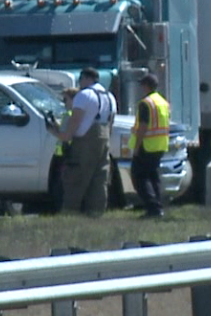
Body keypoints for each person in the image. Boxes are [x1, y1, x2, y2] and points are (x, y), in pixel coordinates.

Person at [48, 67, 117, 216]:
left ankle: (69, 212)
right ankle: (96, 213)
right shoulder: (110, 97)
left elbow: (72, 127)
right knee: (99, 179)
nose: (79, 83)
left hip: (84, 144)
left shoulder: (84, 95)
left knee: (76, 177)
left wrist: (55, 131)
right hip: (104, 142)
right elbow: (110, 124)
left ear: (86, 78)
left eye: (81, 79)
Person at [128, 73, 170, 218]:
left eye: (142, 84)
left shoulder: (146, 103)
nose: (141, 87)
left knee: (140, 177)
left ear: (146, 86)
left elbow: (144, 127)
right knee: (154, 177)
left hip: (147, 145)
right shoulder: (163, 102)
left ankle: (153, 208)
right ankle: (158, 206)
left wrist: (137, 146)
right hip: (160, 144)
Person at [48, 87, 78, 211]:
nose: (64, 103)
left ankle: (61, 209)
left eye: (65, 99)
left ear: (73, 100)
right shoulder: (71, 115)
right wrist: (55, 123)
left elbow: (64, 135)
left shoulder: (70, 115)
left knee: (60, 187)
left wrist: (51, 130)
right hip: (62, 154)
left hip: (65, 155)